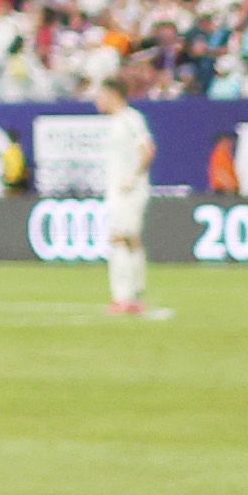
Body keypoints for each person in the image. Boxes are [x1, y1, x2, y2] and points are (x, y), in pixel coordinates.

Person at [82, 59, 166, 322]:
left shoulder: (130, 119)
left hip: (129, 191)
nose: (98, 100)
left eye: (101, 95)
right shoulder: (118, 121)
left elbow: (148, 150)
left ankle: (124, 297)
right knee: (130, 240)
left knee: (119, 239)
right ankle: (135, 294)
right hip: (120, 189)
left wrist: (132, 178)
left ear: (112, 94)